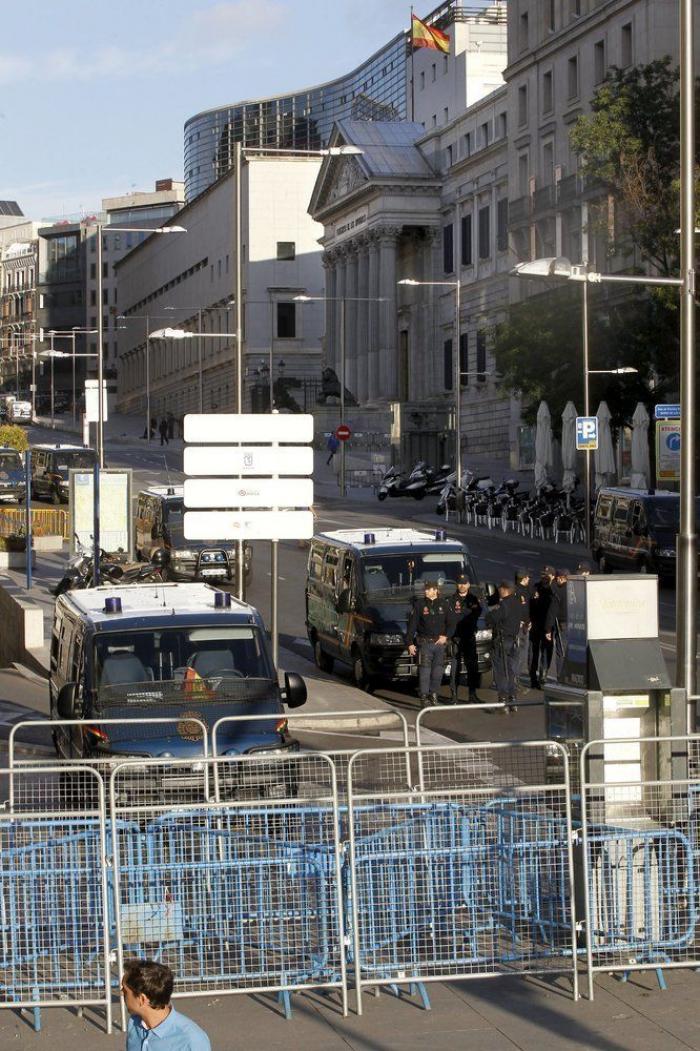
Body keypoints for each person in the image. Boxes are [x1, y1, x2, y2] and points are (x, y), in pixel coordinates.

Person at [123, 959, 211, 1051]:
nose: (121, 993)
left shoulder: (192, 1041)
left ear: (142, 999)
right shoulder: (134, 1023)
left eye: (125, 991)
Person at [406, 579, 451, 708]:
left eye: (429, 589)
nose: (426, 591)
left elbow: (451, 623)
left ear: (435, 590)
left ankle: (434, 694)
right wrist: (409, 642)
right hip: (425, 644)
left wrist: (446, 636)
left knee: (437, 673)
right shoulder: (420, 605)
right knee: (425, 672)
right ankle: (424, 697)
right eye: (425, 589)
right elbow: (412, 625)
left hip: (440, 645)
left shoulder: (444, 604)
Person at [486, 580, 526, 713]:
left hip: (502, 641)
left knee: (500, 672)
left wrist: (489, 614)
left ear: (505, 590)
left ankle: (502, 701)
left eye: (500, 589)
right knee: (511, 670)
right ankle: (512, 698)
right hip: (514, 640)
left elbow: (492, 618)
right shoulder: (517, 602)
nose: (498, 591)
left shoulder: (504, 605)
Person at [447, 573, 483, 704]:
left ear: (468, 584)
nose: (462, 585)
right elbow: (450, 618)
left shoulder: (473, 599)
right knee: (455, 668)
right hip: (456, 638)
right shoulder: (451, 600)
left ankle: (472, 695)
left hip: (469, 638)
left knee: (472, 667)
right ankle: (454, 696)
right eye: (460, 583)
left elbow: (476, 615)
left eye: (464, 583)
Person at [529, 565, 555, 689]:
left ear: (552, 577)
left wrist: (550, 627)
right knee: (533, 651)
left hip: (548, 626)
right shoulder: (536, 587)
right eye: (542, 575)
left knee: (547, 651)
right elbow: (530, 605)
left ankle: (543, 675)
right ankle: (533, 677)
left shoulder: (554, 590)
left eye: (546, 575)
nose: (544, 577)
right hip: (536, 624)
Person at [546, 567, 570, 678]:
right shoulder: (574, 590)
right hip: (575, 623)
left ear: (561, 578)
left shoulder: (558, 592)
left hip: (562, 625)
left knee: (561, 652)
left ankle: (561, 676)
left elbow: (552, 612)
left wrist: (548, 629)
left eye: (557, 578)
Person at [513, 568, 532, 682]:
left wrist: (529, 621)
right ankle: (514, 677)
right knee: (518, 653)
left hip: (526, 625)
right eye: (528, 577)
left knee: (522, 652)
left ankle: (516, 676)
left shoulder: (526, 590)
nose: (529, 578)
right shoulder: (516, 591)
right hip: (519, 627)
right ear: (524, 578)